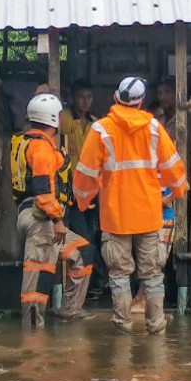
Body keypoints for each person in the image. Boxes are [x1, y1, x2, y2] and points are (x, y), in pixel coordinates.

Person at [73, 76, 189, 334]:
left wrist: (83, 201)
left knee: (119, 273)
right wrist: (179, 189)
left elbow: (85, 174)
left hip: (116, 216)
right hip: (149, 215)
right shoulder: (155, 129)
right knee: (152, 273)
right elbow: (173, 169)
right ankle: (156, 326)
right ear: (141, 102)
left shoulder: (100, 130)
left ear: (116, 98)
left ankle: (123, 328)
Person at [11, 93, 95, 327]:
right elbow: (42, 190)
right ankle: (32, 334)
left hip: (35, 216)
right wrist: (57, 220)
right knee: (38, 277)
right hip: (41, 219)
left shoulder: (28, 142)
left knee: (83, 253)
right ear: (52, 119)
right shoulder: (41, 149)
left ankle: (70, 310)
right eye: (59, 115)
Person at [59, 79, 107, 300]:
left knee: (95, 234)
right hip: (71, 187)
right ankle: (82, 286)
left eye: (89, 97)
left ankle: (96, 282)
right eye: (81, 97)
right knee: (81, 235)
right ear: (73, 97)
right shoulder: (65, 119)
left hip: (94, 188)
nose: (85, 101)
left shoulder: (97, 123)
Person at [130, 185, 176, 314]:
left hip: (163, 220)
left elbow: (183, 187)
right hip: (150, 218)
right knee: (146, 262)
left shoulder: (166, 171)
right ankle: (140, 297)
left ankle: (145, 302)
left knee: (153, 264)